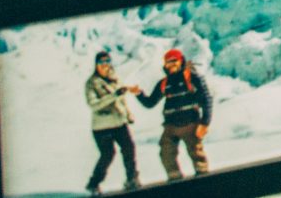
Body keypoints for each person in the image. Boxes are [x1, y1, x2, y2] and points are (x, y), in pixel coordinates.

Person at [136, 48, 213, 182]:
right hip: (171, 126)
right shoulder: (164, 83)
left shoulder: (192, 77)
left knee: (197, 154)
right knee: (166, 153)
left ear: (181, 61)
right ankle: (175, 181)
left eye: (174, 61)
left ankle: (204, 182)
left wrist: (204, 123)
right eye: (168, 62)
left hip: (191, 124)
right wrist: (139, 94)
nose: (171, 64)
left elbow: (206, 99)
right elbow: (150, 102)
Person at [84, 51, 140, 194]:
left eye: (107, 61)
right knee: (108, 154)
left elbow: (121, 100)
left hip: (119, 123)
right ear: (96, 65)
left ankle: (132, 179)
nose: (105, 65)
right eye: (101, 62)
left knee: (129, 149)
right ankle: (93, 184)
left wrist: (128, 114)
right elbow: (94, 104)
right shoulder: (91, 83)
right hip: (102, 127)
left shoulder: (114, 79)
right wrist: (114, 95)